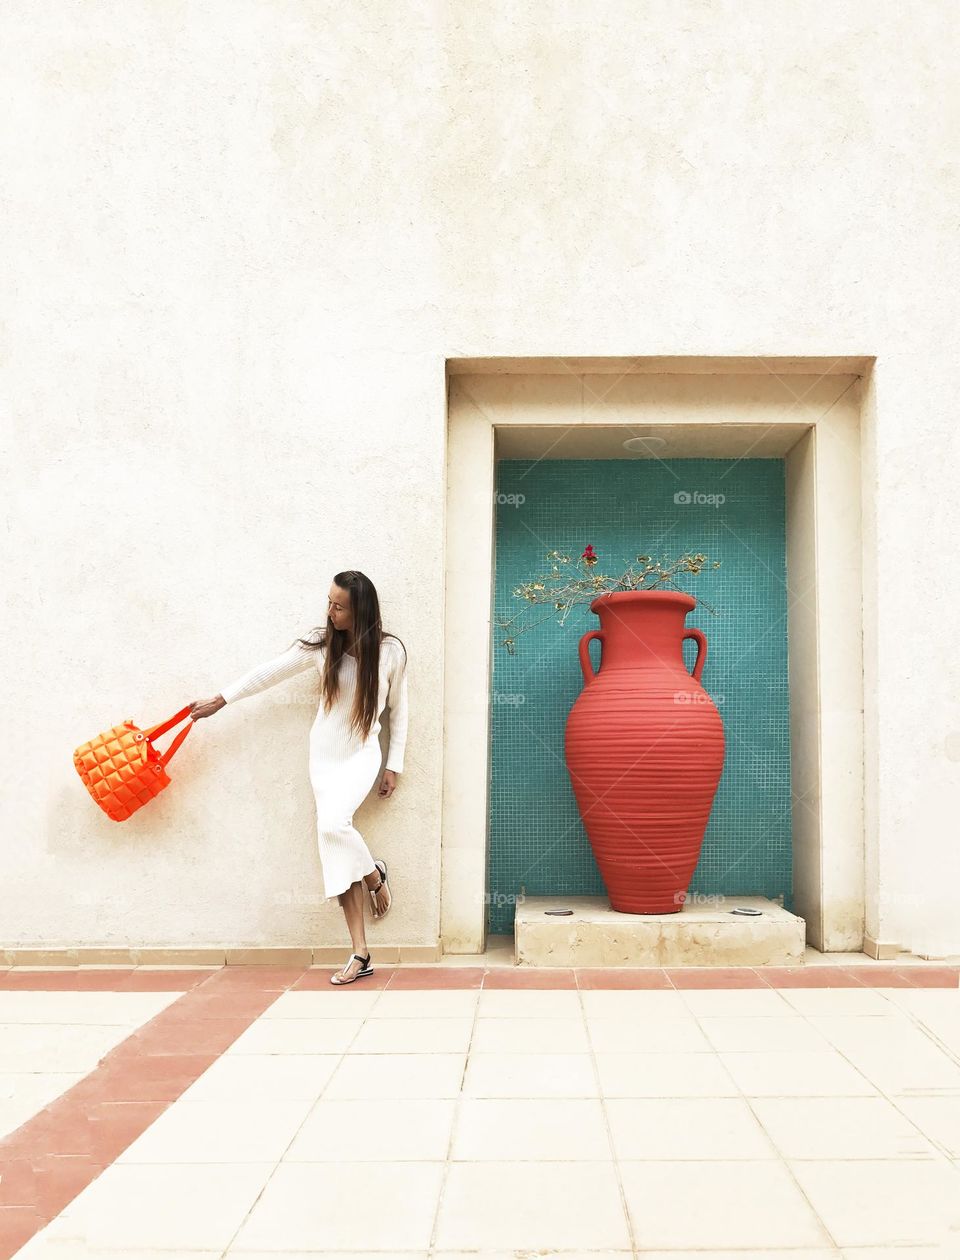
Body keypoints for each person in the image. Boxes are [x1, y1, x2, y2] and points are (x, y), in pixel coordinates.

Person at [189, 570, 408, 985]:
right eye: (329, 602)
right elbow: (269, 672)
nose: (330, 611)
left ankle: (375, 876)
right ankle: (361, 949)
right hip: (323, 757)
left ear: (361, 610)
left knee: (332, 826)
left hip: (361, 755)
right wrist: (222, 699)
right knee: (333, 844)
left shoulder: (391, 653)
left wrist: (393, 764)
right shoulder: (321, 645)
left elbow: (400, 710)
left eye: (339, 606)